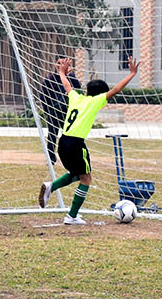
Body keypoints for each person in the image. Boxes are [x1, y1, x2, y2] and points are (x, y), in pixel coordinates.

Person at [39, 56, 141, 225]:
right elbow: (116, 89)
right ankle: (71, 216)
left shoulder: (76, 98)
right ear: (102, 94)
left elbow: (66, 85)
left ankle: (52, 186)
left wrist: (61, 72)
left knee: (77, 174)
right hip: (76, 144)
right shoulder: (96, 101)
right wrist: (132, 74)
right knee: (86, 179)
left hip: (63, 142)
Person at [37, 55, 75, 167]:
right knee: (52, 136)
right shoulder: (49, 79)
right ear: (55, 65)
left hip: (67, 113)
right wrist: (47, 110)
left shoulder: (71, 78)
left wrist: (71, 75)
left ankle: (70, 158)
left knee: (69, 136)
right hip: (53, 112)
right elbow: (43, 96)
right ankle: (51, 159)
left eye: (63, 63)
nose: (61, 65)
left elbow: (78, 89)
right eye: (59, 63)